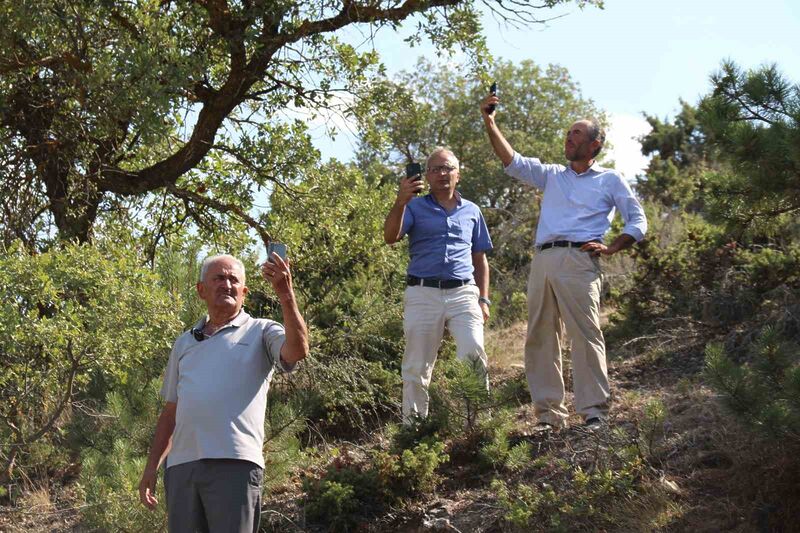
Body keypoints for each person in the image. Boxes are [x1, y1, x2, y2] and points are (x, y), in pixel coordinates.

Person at [480, 93, 647, 431]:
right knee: (540, 336)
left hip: (579, 260)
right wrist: (490, 122)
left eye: (576, 134)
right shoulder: (552, 175)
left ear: (595, 144)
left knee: (585, 334)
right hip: (543, 259)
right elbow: (512, 161)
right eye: (568, 133)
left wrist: (612, 248)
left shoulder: (610, 179)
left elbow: (638, 221)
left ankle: (594, 411)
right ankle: (548, 416)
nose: (568, 139)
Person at [138, 252, 308, 532]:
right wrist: (151, 468)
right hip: (182, 468)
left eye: (233, 280)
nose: (226, 284)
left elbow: (298, 350)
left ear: (244, 292)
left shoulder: (262, 330)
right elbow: (171, 412)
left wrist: (286, 294)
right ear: (201, 290)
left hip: (235, 464)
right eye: (218, 278)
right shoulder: (184, 343)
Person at [384, 147, 493, 423]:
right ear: (427, 176)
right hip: (422, 292)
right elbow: (390, 236)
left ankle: (480, 426)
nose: (443, 174)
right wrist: (400, 202)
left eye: (448, 168)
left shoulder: (472, 211)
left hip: (464, 292)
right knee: (417, 365)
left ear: (458, 174)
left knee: (473, 354)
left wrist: (484, 300)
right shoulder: (414, 207)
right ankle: (413, 429)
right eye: (435, 169)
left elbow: (479, 259)